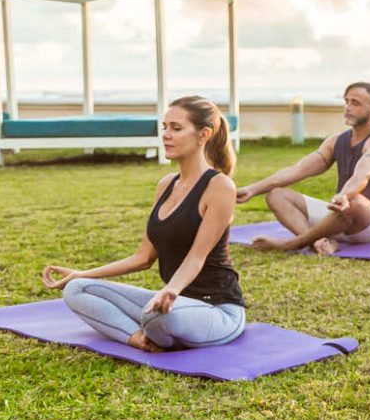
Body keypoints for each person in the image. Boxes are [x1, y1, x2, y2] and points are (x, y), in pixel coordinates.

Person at [41, 96, 245, 352]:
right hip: (173, 301)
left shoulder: (219, 186)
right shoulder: (166, 185)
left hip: (217, 309)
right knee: (76, 289)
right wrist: (80, 273)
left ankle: (155, 328)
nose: (166, 135)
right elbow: (143, 258)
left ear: (203, 134)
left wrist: (171, 289)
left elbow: (196, 257)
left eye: (176, 128)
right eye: (164, 127)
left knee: (157, 315)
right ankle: (137, 338)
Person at [236, 82, 370, 255]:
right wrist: (252, 189)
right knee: (276, 195)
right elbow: (297, 170)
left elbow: (362, 174)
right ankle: (319, 242)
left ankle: (293, 243)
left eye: (355, 103)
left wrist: (345, 196)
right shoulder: (336, 141)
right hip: (340, 217)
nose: (348, 107)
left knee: (355, 201)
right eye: (346, 101)